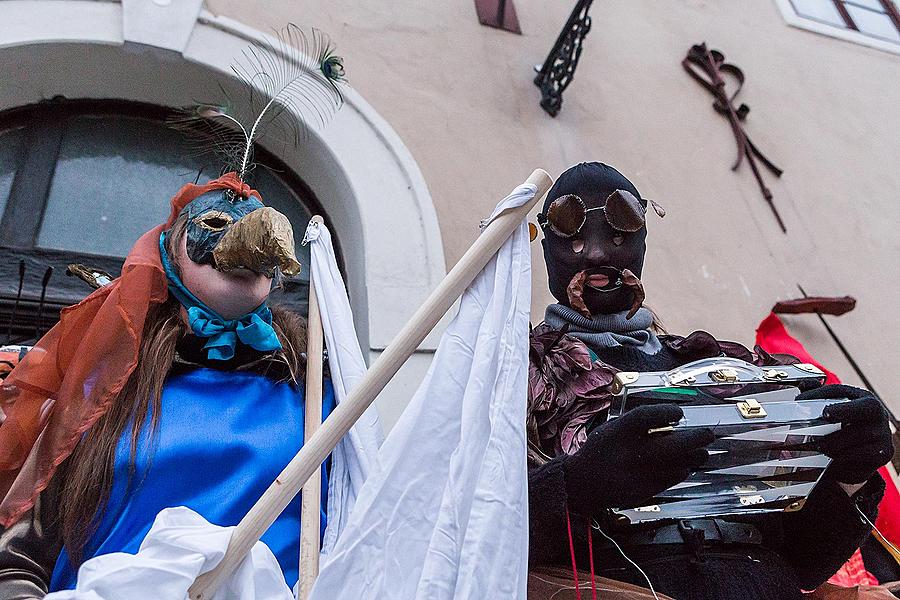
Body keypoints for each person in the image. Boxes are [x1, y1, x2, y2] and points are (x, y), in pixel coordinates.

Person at [526, 162, 893, 600]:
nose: (598, 255)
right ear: (547, 248)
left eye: (620, 234)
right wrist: (577, 483)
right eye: (577, 238)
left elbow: (804, 560)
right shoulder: (514, 373)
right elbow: (467, 535)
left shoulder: (726, 366)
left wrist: (846, 473)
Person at [0, 174, 335, 597]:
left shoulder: (316, 391)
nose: (248, 238)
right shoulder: (105, 390)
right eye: (214, 222)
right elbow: (18, 560)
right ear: (170, 253)